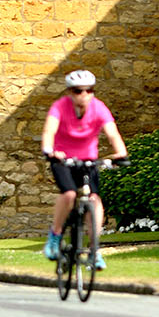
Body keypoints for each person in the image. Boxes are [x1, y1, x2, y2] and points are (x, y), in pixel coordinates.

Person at [41, 69, 128, 268]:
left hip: (88, 160)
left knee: (94, 200)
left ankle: (95, 251)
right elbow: (49, 131)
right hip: (62, 159)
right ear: (70, 92)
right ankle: (55, 235)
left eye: (89, 91)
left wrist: (121, 154)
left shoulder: (99, 108)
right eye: (79, 91)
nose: (84, 95)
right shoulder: (60, 107)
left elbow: (112, 133)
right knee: (70, 194)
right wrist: (50, 151)